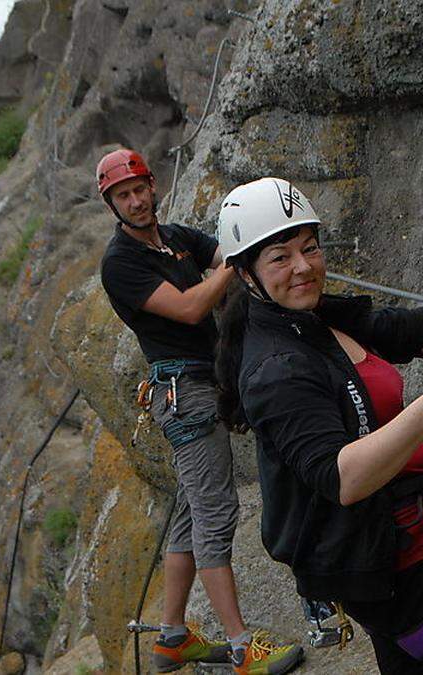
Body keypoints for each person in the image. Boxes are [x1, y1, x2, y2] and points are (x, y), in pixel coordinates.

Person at [213, 177, 423, 674]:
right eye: (280, 257)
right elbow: (341, 477)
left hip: (410, 549)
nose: (303, 267)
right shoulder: (277, 369)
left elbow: (414, 328)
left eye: (310, 248)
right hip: (404, 566)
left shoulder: (316, 318)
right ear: (247, 274)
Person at [96, 150, 303, 675]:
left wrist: (259, 259)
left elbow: (228, 264)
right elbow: (191, 306)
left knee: (191, 513)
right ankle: (239, 647)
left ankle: (171, 638)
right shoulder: (120, 263)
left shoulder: (179, 238)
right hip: (183, 392)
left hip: (203, 383)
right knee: (216, 513)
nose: (137, 200)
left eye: (140, 188)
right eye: (124, 195)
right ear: (111, 203)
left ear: (152, 185)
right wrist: (238, 261)